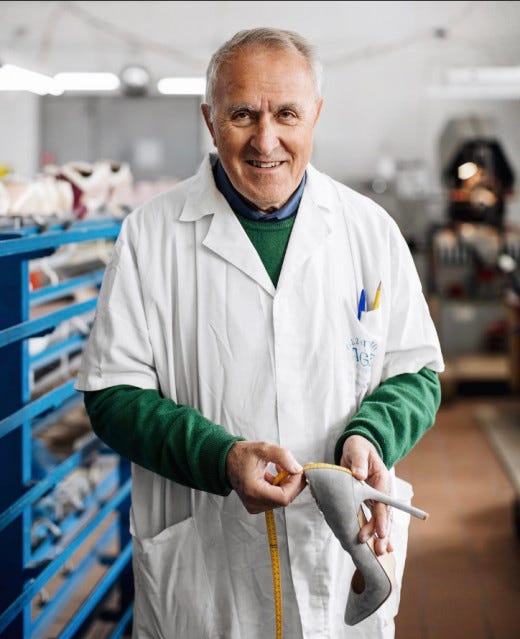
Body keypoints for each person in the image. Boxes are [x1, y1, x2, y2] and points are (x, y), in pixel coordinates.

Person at [76, 27, 444, 639]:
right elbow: (112, 395)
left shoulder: (369, 231)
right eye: (242, 114)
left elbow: (416, 371)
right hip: (207, 569)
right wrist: (218, 458)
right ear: (209, 118)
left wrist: (372, 435)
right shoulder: (150, 235)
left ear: (316, 116)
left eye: (287, 114)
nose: (265, 140)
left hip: (340, 555)